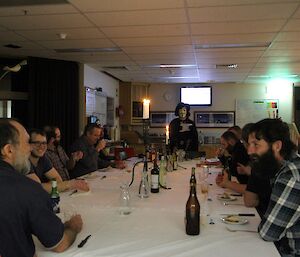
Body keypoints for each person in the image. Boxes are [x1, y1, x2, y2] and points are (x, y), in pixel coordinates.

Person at [0, 118, 83, 257]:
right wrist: (73, 227)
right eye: (27, 143)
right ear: (9, 150)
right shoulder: (27, 190)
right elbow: (59, 244)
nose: (30, 148)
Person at [250, 119, 300, 256]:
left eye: (256, 144)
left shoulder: (290, 177)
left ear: (277, 146)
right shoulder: (284, 167)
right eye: (249, 144)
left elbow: (268, 233)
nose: (249, 151)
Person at [27, 129, 89, 193]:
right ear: (28, 144)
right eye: (37, 143)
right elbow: (37, 188)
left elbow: (58, 179)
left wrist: (48, 186)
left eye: (44, 143)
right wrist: (70, 184)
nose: (41, 146)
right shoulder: (24, 162)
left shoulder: (43, 158)